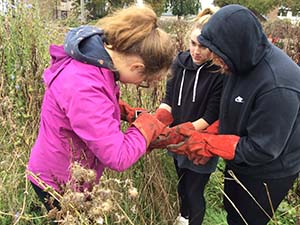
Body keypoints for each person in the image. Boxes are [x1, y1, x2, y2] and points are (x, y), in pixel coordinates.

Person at [27, 5, 175, 213]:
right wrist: (145, 126)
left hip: (68, 171)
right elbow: (117, 156)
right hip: (57, 182)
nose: (138, 84)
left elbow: (88, 110)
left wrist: (119, 110)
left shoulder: (93, 63)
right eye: (145, 81)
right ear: (137, 67)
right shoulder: (84, 84)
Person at [167, 4, 300, 225]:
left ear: (236, 46)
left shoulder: (278, 86)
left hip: (268, 172)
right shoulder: (238, 63)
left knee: (246, 219)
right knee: (232, 210)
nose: (215, 59)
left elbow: (263, 148)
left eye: (218, 53)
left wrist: (209, 145)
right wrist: (208, 134)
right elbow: (233, 110)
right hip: (240, 159)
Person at [150, 7, 223, 225]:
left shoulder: (218, 73)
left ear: (214, 47)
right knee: (181, 184)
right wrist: (158, 121)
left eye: (203, 46)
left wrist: (183, 133)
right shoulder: (179, 63)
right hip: (177, 139)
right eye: (193, 43)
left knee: (194, 191)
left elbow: (211, 116)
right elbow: (169, 99)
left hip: (201, 141)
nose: (196, 51)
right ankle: (183, 218)